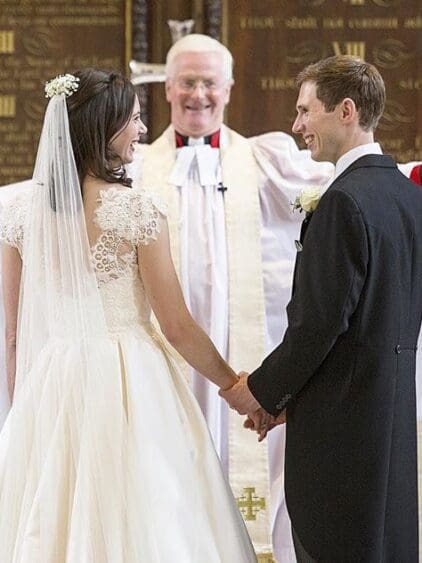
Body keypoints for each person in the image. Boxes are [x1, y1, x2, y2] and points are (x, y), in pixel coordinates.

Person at [129, 33, 421, 561]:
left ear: (229, 88)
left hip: (253, 358)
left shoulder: (264, 161)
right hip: (166, 352)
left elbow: (322, 316)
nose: (198, 94)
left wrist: (263, 391)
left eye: (209, 83)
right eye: (187, 83)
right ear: (166, 88)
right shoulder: (134, 169)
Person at [0, 68, 258, 561]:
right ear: (105, 128)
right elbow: (177, 325)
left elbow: (13, 334)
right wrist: (233, 385)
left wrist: (27, 417)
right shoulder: (137, 211)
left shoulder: (17, 214)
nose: (141, 131)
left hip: (49, 382)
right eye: (135, 120)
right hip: (130, 385)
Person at [221, 55, 422, 562]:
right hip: (391, 419)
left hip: (341, 435)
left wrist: (261, 393)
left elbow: (319, 324)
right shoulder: (407, 195)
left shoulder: (343, 201)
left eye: (305, 110)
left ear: (346, 110)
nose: (296, 126)